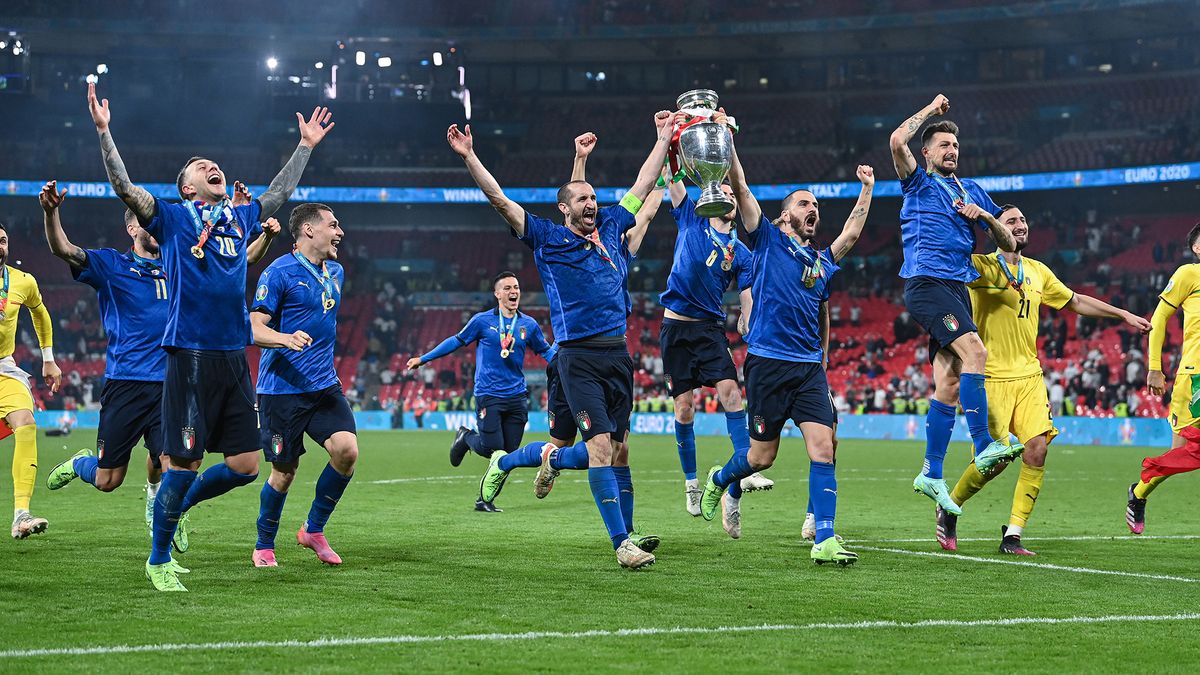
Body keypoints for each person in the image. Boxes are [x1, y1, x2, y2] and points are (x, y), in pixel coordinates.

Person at [88, 82, 334, 591]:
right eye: (199, 167)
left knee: (245, 465)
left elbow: (279, 194)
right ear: (187, 188)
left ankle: (174, 510)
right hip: (191, 356)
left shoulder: (237, 219)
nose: (209, 166)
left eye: (212, 163)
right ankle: (158, 558)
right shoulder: (175, 218)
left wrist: (305, 146)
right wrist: (104, 132)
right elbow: (125, 188)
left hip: (232, 358)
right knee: (184, 461)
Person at [449, 111, 673, 569]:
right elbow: (499, 200)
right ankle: (620, 544)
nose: (591, 203)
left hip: (618, 355)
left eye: (594, 197)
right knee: (598, 450)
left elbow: (645, 183)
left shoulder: (612, 225)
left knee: (617, 449)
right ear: (564, 209)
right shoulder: (547, 239)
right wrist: (471, 156)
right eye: (582, 199)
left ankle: (547, 470)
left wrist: (663, 137)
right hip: (577, 358)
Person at [42, 181, 278, 537]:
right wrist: (51, 213)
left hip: (174, 379)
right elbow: (66, 250)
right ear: (133, 227)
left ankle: (166, 516)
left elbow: (239, 261)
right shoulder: (111, 266)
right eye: (144, 223)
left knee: (175, 467)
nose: (153, 229)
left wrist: (260, 235)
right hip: (127, 383)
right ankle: (81, 464)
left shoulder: (182, 260)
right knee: (109, 480)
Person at [701, 113, 873, 563]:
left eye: (815, 205)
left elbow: (852, 232)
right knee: (761, 458)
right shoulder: (768, 242)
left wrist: (868, 188)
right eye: (802, 204)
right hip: (767, 363)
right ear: (784, 216)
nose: (811, 208)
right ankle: (724, 480)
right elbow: (740, 185)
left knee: (824, 446)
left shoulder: (821, 261)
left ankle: (825, 539)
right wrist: (729, 140)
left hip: (808, 368)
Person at [939, 206, 1149, 554]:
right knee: (997, 458)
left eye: (1022, 221)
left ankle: (1013, 535)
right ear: (994, 231)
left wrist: (1122, 313)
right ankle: (949, 505)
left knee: (1037, 450)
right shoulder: (979, 267)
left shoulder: (1038, 272)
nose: (1020, 226)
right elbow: (945, 268)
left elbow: (1077, 301)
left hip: (1029, 376)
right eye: (1011, 222)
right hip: (989, 377)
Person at [888, 93, 1022, 515]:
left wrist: (983, 216)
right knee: (976, 352)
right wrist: (929, 110)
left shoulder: (974, 190)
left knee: (947, 383)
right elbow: (895, 142)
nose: (952, 151)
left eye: (956, 146)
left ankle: (931, 472)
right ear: (926, 152)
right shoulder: (919, 182)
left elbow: (1009, 241)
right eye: (944, 145)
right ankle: (983, 444)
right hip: (927, 282)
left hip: (957, 287)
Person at [660, 149, 771, 517]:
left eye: (730, 193)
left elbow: (747, 293)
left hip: (709, 329)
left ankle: (744, 464)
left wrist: (746, 318)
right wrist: (669, 141)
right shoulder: (692, 219)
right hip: (675, 327)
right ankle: (691, 483)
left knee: (731, 394)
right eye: (720, 191)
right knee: (685, 409)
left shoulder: (742, 252)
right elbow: (672, 178)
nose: (726, 196)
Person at [250, 203, 359, 568]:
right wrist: (285, 339)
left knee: (347, 451)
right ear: (309, 230)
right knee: (284, 473)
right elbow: (253, 327)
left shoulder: (337, 271)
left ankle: (314, 530)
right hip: (281, 389)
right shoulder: (278, 272)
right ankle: (264, 544)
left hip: (323, 385)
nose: (340, 232)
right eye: (333, 225)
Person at [408, 271, 555, 512]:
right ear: (497, 294)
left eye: (516, 287)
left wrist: (568, 365)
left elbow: (546, 352)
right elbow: (456, 341)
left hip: (517, 396)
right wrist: (423, 359)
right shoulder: (482, 321)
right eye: (507, 288)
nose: (513, 292)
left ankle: (484, 500)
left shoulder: (528, 325)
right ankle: (466, 437)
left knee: (507, 456)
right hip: (489, 394)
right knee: (492, 450)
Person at [1126, 222, 1200, 534]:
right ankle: (1139, 493)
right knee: (1179, 455)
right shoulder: (1188, 274)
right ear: (1197, 247)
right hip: (1195, 380)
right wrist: (1154, 366)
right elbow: (1159, 317)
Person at [0, 220, 61, 540]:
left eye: (3, 240)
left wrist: (48, 359)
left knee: (25, 423)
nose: (0, 245)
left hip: (3, 369)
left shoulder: (22, 281)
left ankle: (21, 513)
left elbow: (40, 313)